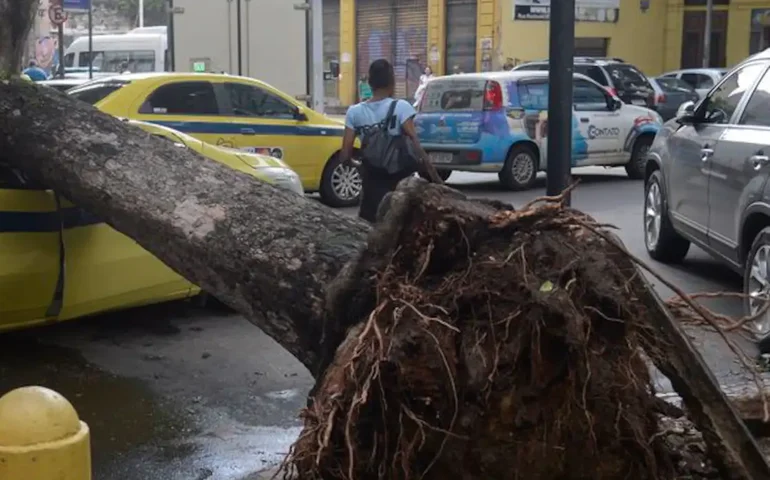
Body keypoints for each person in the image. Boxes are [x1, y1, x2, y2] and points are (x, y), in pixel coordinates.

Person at [340, 59, 443, 223]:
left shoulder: (354, 112)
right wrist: (437, 181)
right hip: (400, 184)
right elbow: (417, 147)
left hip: (371, 186)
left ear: (370, 83)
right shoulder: (401, 107)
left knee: (369, 229)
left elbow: (345, 156)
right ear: (392, 82)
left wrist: (362, 165)